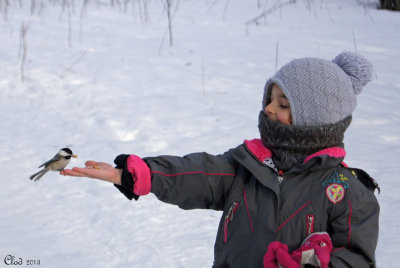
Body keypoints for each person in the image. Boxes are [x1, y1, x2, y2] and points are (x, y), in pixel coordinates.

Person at [61, 51, 380, 268]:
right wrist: (138, 174)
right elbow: (197, 174)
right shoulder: (248, 165)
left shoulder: (346, 191)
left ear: (316, 121)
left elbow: (357, 259)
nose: (268, 109)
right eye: (269, 98)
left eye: (282, 104)